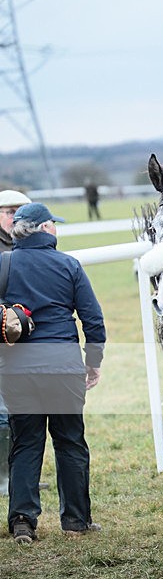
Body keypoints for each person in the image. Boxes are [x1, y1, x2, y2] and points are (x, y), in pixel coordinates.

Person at [0, 202, 106, 543]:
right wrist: (93, 361)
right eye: (53, 225)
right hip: (63, 366)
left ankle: (22, 522)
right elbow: (93, 321)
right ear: (45, 229)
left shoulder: (3, 265)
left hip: (17, 370)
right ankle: (76, 519)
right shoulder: (69, 265)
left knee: (26, 443)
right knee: (70, 441)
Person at [0, 189, 32, 496]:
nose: (14, 218)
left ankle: (18, 473)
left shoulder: (27, 244)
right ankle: (5, 478)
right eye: (9, 211)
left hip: (22, 339)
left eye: (20, 212)